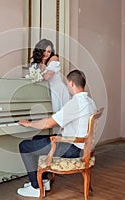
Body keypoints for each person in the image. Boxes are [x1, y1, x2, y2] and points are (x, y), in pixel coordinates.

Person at [17, 70, 97, 198]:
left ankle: (36, 187)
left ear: (71, 83)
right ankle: (43, 182)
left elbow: (49, 123)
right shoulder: (90, 101)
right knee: (36, 138)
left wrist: (29, 123)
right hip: (81, 146)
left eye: (67, 84)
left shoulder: (75, 103)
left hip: (72, 149)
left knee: (24, 146)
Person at [29, 38, 71, 113]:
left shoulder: (54, 59)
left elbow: (47, 77)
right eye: (44, 50)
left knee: (58, 116)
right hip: (44, 92)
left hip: (57, 91)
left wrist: (43, 69)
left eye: (49, 51)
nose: (46, 53)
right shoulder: (34, 65)